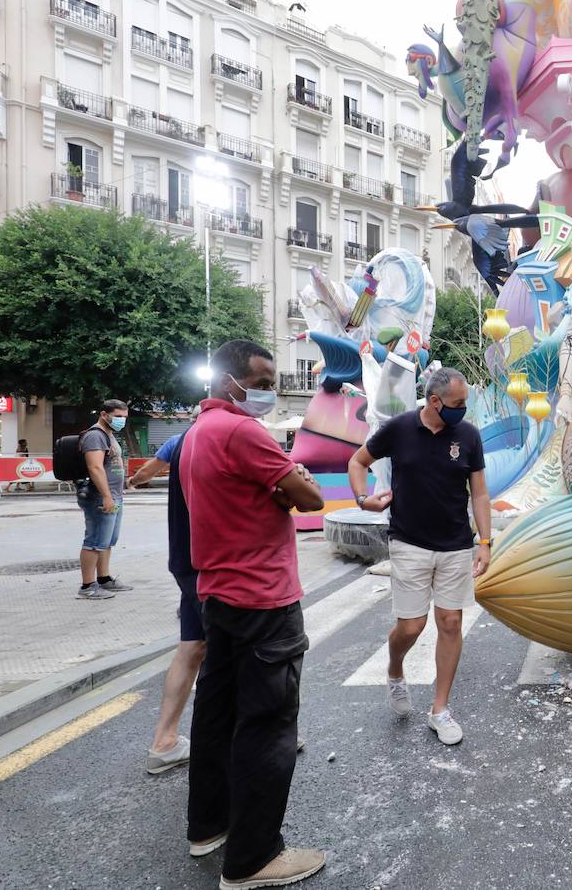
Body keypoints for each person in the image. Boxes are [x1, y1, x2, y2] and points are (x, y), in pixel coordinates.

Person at [181, 340, 327, 888]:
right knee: (269, 727)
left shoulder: (200, 433)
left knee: (217, 718)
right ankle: (254, 858)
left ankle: (208, 828)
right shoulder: (243, 432)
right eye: (262, 381)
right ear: (229, 381)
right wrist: (295, 481)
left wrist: (285, 486)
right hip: (264, 600)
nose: (268, 390)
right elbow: (309, 499)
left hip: (217, 596)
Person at [347, 366, 491, 746]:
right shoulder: (398, 428)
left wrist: (486, 542)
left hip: (456, 544)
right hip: (409, 542)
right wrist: (364, 500)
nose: (464, 410)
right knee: (411, 627)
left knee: (450, 623)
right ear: (434, 400)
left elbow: (479, 493)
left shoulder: (469, 436)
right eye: (458, 403)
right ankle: (395, 669)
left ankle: (439, 710)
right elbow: (358, 461)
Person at [140, 426, 202, 774]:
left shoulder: (180, 440)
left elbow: (150, 469)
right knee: (238, 648)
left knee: (192, 646)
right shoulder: (226, 436)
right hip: (214, 563)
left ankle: (164, 742)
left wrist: (135, 480)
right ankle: (262, 731)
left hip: (186, 559)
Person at [76, 399, 131, 600]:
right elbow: (95, 467)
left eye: (124, 417)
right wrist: (107, 496)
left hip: (114, 496)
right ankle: (87, 586)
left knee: (106, 541)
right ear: (104, 414)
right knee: (94, 540)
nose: (121, 421)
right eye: (118, 416)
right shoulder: (95, 436)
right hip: (99, 497)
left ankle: (104, 579)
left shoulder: (109, 435)